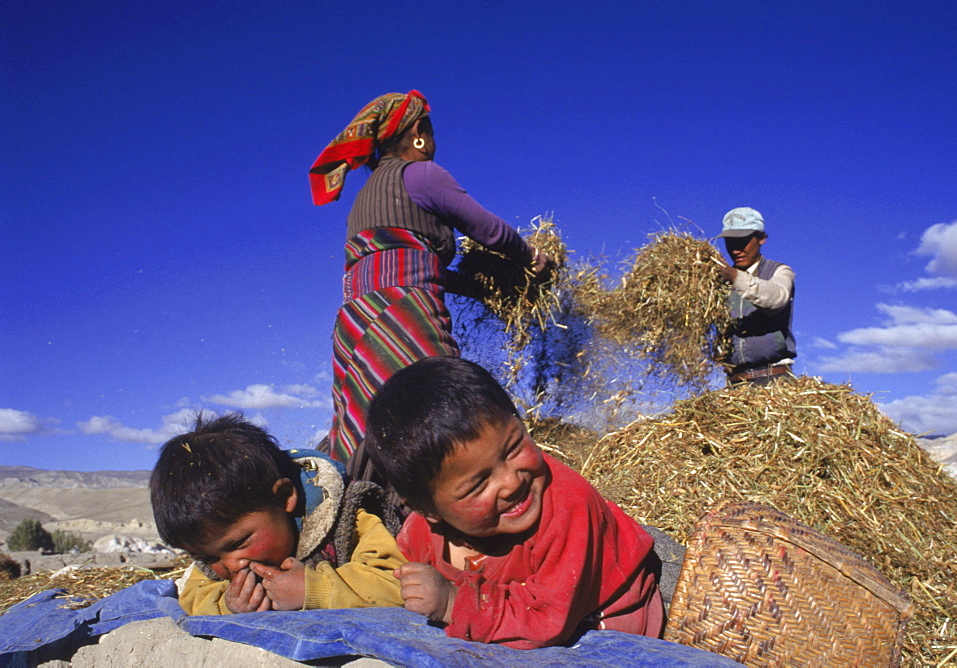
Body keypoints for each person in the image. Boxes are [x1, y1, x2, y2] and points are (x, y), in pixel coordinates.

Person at [309, 90, 553, 485]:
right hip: (403, 315)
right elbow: (487, 230)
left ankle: (364, 500)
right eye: (431, 132)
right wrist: (531, 259)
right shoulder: (420, 174)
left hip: (354, 326)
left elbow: (406, 265)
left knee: (375, 418)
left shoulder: (362, 200)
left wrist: (485, 289)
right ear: (419, 132)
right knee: (446, 406)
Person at [364, 357, 665, 649]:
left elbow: (547, 622)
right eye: (479, 484)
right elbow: (393, 574)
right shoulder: (421, 533)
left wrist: (452, 603)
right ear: (429, 511)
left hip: (603, 631)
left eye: (512, 449)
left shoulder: (567, 505)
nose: (511, 482)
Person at [149, 413, 406, 615]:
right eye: (207, 556)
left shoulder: (347, 516)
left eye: (239, 543)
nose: (230, 566)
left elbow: (395, 582)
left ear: (284, 497)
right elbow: (194, 597)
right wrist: (228, 605)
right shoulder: (215, 551)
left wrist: (313, 589)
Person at [715, 207, 796, 385]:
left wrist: (735, 277)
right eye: (730, 242)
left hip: (774, 379)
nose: (736, 249)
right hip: (736, 383)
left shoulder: (779, 271)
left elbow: (778, 297)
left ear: (761, 239)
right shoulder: (719, 284)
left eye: (743, 241)